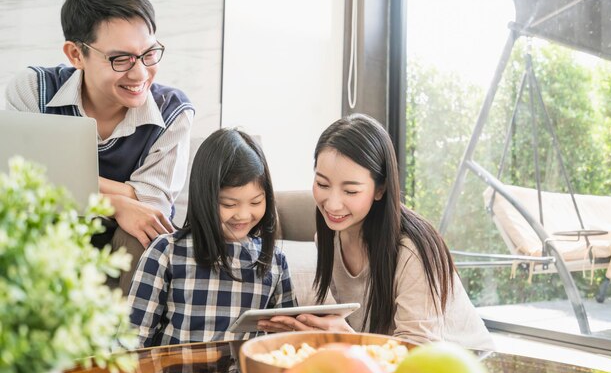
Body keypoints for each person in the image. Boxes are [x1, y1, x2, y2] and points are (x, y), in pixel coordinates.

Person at [4, 0, 194, 293]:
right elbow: (18, 186)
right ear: (76, 55)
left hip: (122, 246)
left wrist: (56, 178)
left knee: (144, 227)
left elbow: (149, 204)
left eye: (149, 54)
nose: (140, 74)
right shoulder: (33, 90)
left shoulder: (173, 111)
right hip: (45, 235)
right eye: (120, 59)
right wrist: (117, 202)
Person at [258, 113, 493, 350]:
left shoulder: (412, 250)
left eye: (350, 191)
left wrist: (350, 341)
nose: (332, 204)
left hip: (464, 370)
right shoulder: (329, 239)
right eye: (322, 184)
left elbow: (418, 352)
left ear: (380, 189)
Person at [128, 128, 297, 347]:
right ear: (204, 198)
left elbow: (289, 343)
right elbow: (132, 341)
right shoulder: (166, 252)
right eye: (229, 204)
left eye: (256, 202)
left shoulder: (274, 261)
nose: (244, 215)